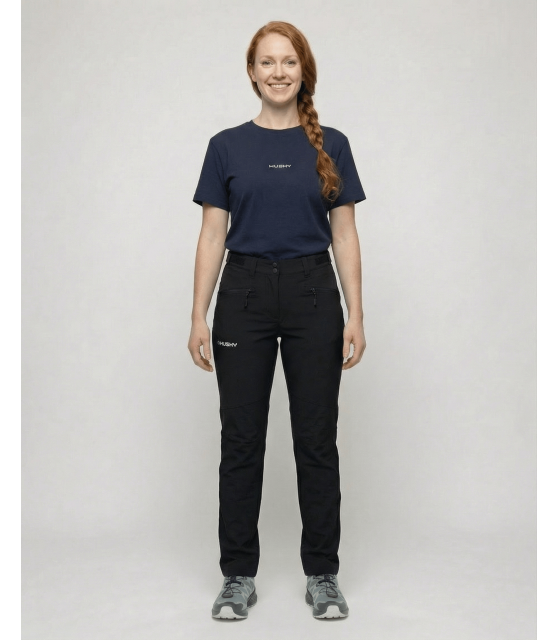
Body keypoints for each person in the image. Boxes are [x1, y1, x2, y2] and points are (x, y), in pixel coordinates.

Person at [189, 20, 366, 620]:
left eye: (288, 61)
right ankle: (237, 575)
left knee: (316, 438)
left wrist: (356, 314)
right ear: (251, 72)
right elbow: (212, 234)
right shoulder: (226, 146)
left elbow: (345, 233)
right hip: (243, 295)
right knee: (241, 439)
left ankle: (323, 574)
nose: (278, 72)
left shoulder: (332, 143)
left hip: (314, 292)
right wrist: (198, 315)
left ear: (303, 71)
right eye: (267, 62)